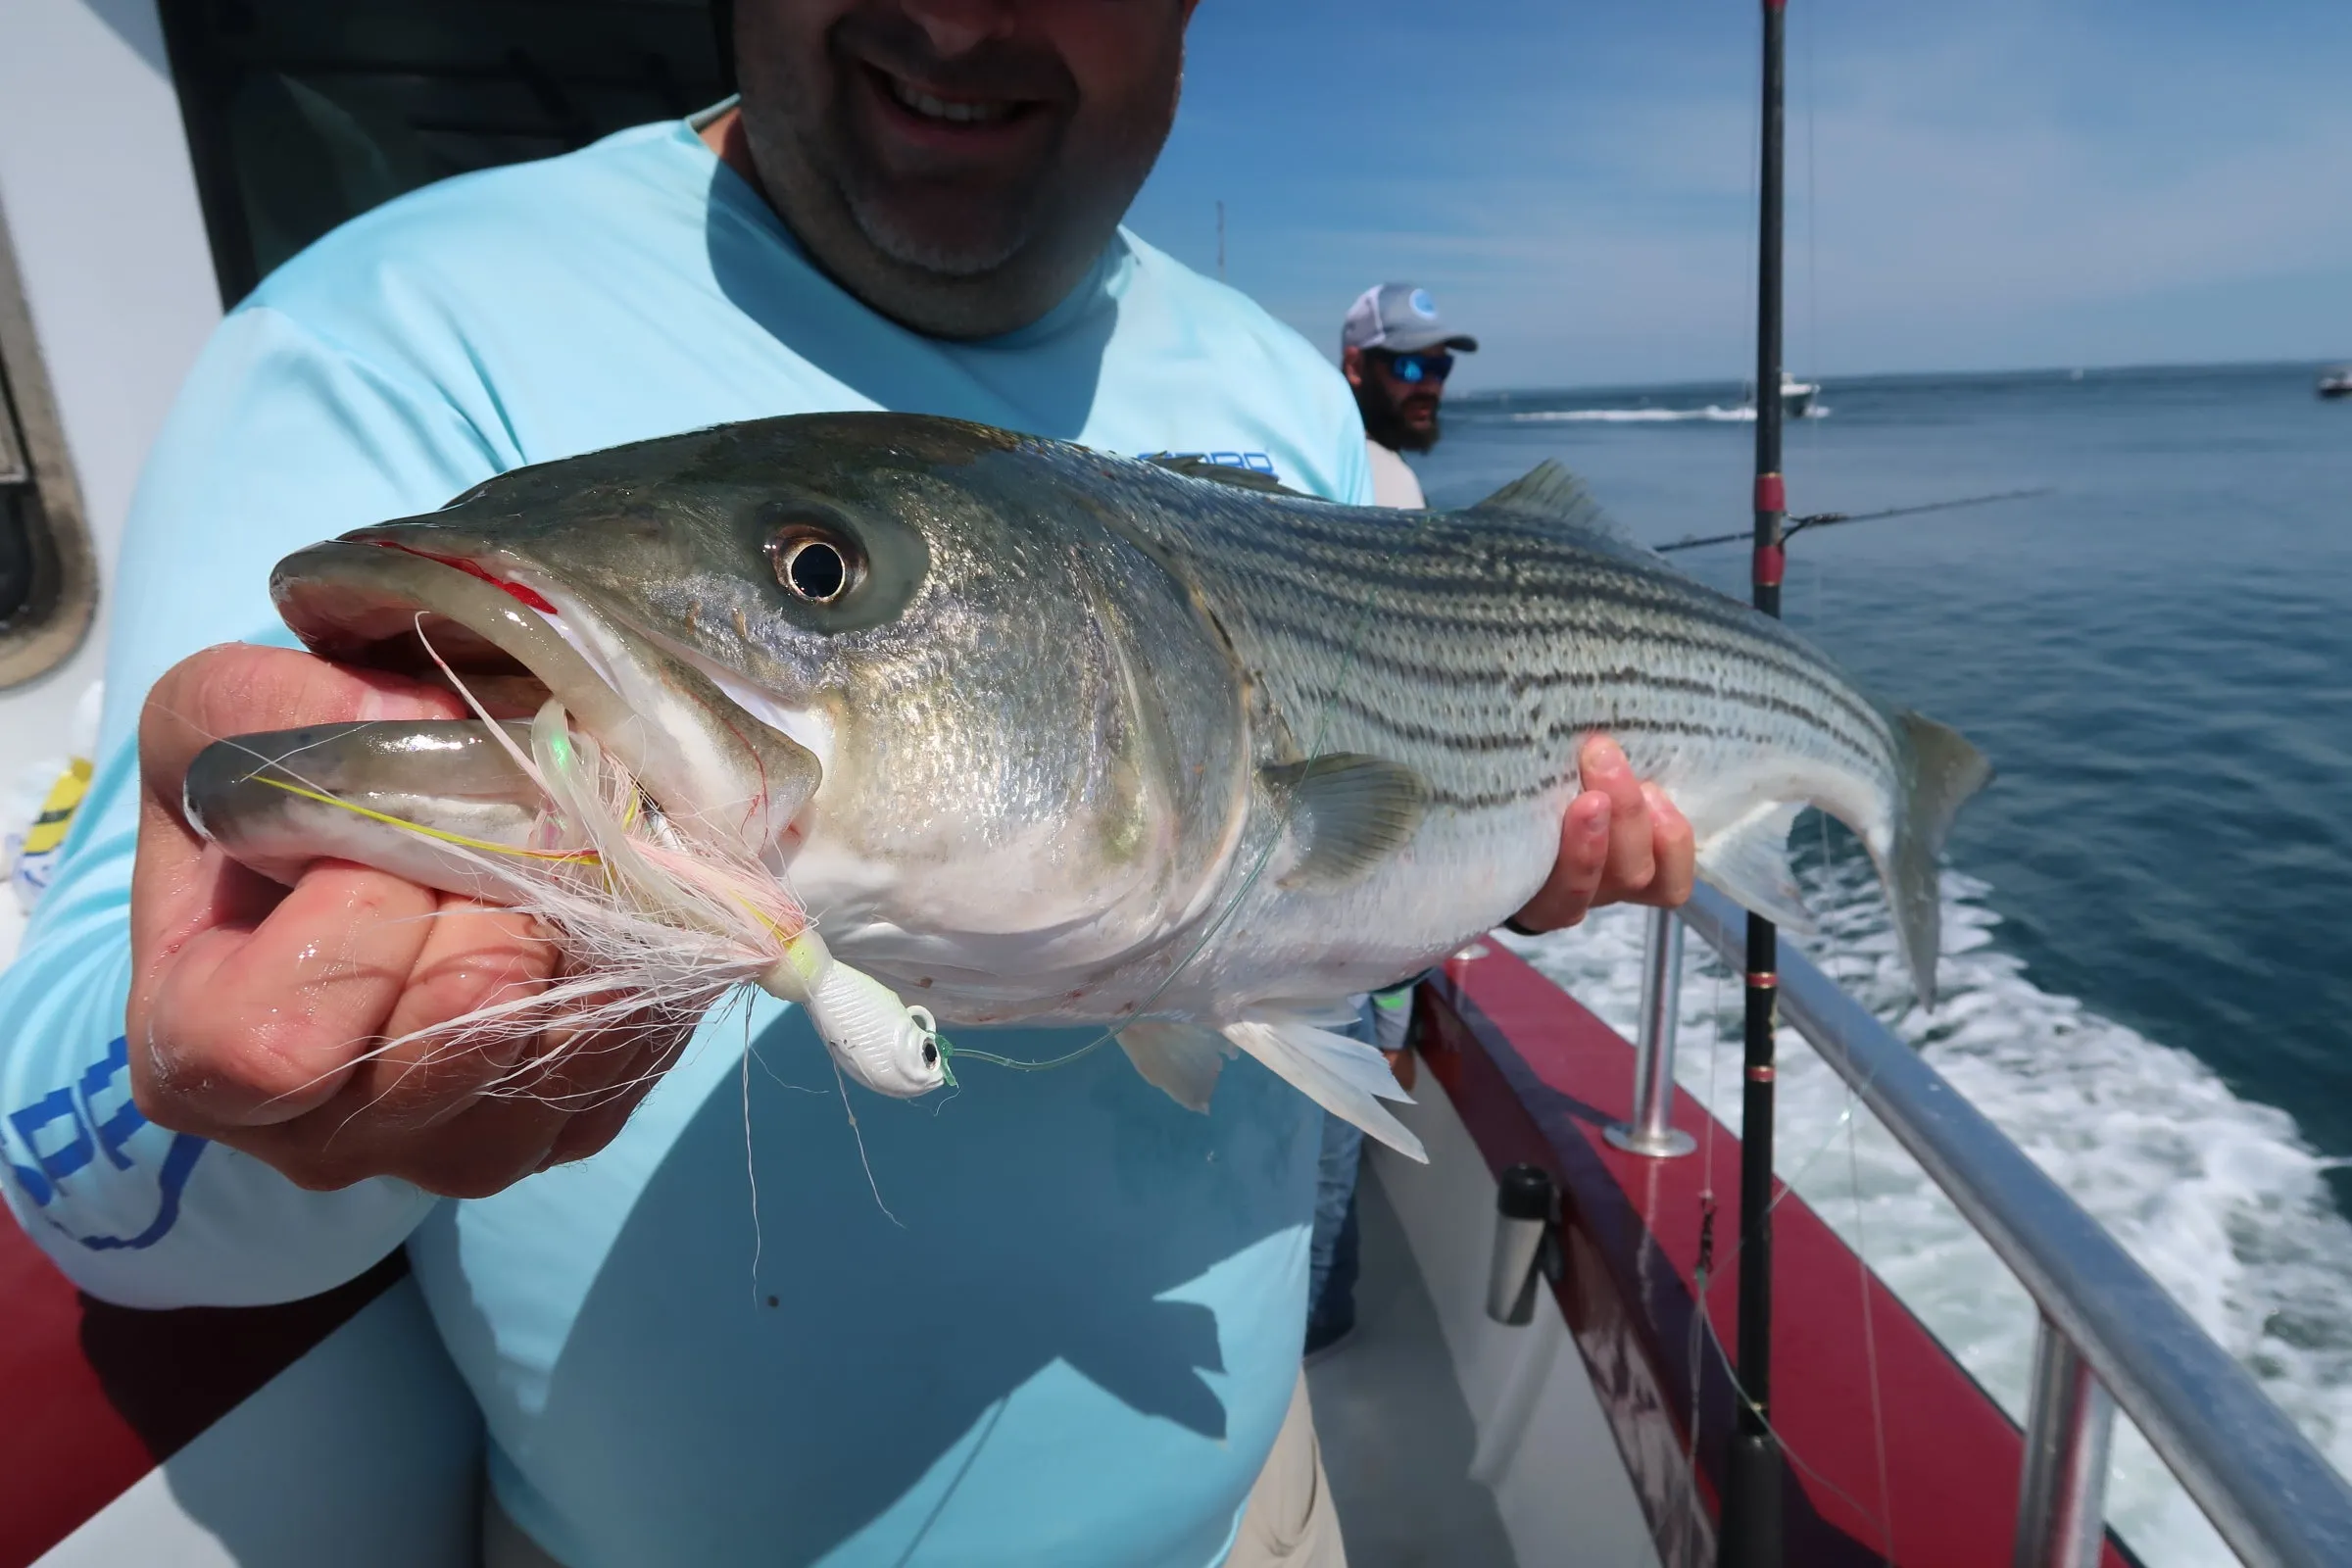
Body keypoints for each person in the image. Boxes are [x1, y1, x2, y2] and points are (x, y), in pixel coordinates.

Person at [0, 5, 1693, 1565]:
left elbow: (1311, 896)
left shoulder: (1270, 385)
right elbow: (90, 1172)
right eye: (822, 570)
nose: (958, 15)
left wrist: (1504, 858)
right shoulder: (378, 330)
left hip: (1256, 1515)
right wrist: (266, 1065)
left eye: (816, 575)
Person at [1340, 281, 1476, 510]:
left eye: (1441, 367)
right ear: (1355, 366)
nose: (1430, 386)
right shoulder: (1379, 477)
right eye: (1409, 367)